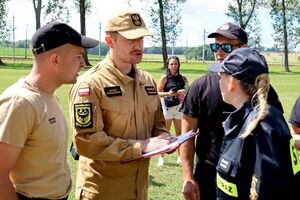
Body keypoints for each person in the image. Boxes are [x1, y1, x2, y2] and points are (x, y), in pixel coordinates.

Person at [69, 9, 175, 200]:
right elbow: (87, 142)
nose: (138, 45)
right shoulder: (91, 84)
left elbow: (157, 124)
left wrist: (164, 138)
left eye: (141, 39)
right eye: (131, 39)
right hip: (104, 192)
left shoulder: (147, 81)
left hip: (139, 190)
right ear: (110, 41)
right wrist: (141, 147)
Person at [180, 22, 283, 200]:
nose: (219, 52)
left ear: (244, 48)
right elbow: (187, 136)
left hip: (249, 177)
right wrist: (188, 176)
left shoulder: (262, 90)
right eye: (215, 46)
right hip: (207, 174)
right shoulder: (199, 86)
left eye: (226, 46)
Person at [0, 21, 99, 199]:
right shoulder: (21, 102)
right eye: (78, 56)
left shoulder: (49, 96)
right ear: (55, 60)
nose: (83, 63)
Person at [214, 47, 300, 199]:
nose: (218, 81)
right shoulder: (245, 119)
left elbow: (268, 191)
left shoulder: (262, 126)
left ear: (231, 82)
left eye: (221, 76)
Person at [157, 55, 189, 167]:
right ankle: (161, 157)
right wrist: (168, 94)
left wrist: (182, 91)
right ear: (168, 65)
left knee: (179, 133)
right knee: (165, 133)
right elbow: (157, 93)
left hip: (179, 108)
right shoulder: (164, 78)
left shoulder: (183, 78)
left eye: (176, 64)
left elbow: (188, 89)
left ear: (179, 65)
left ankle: (180, 157)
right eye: (171, 64)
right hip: (167, 108)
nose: (174, 66)